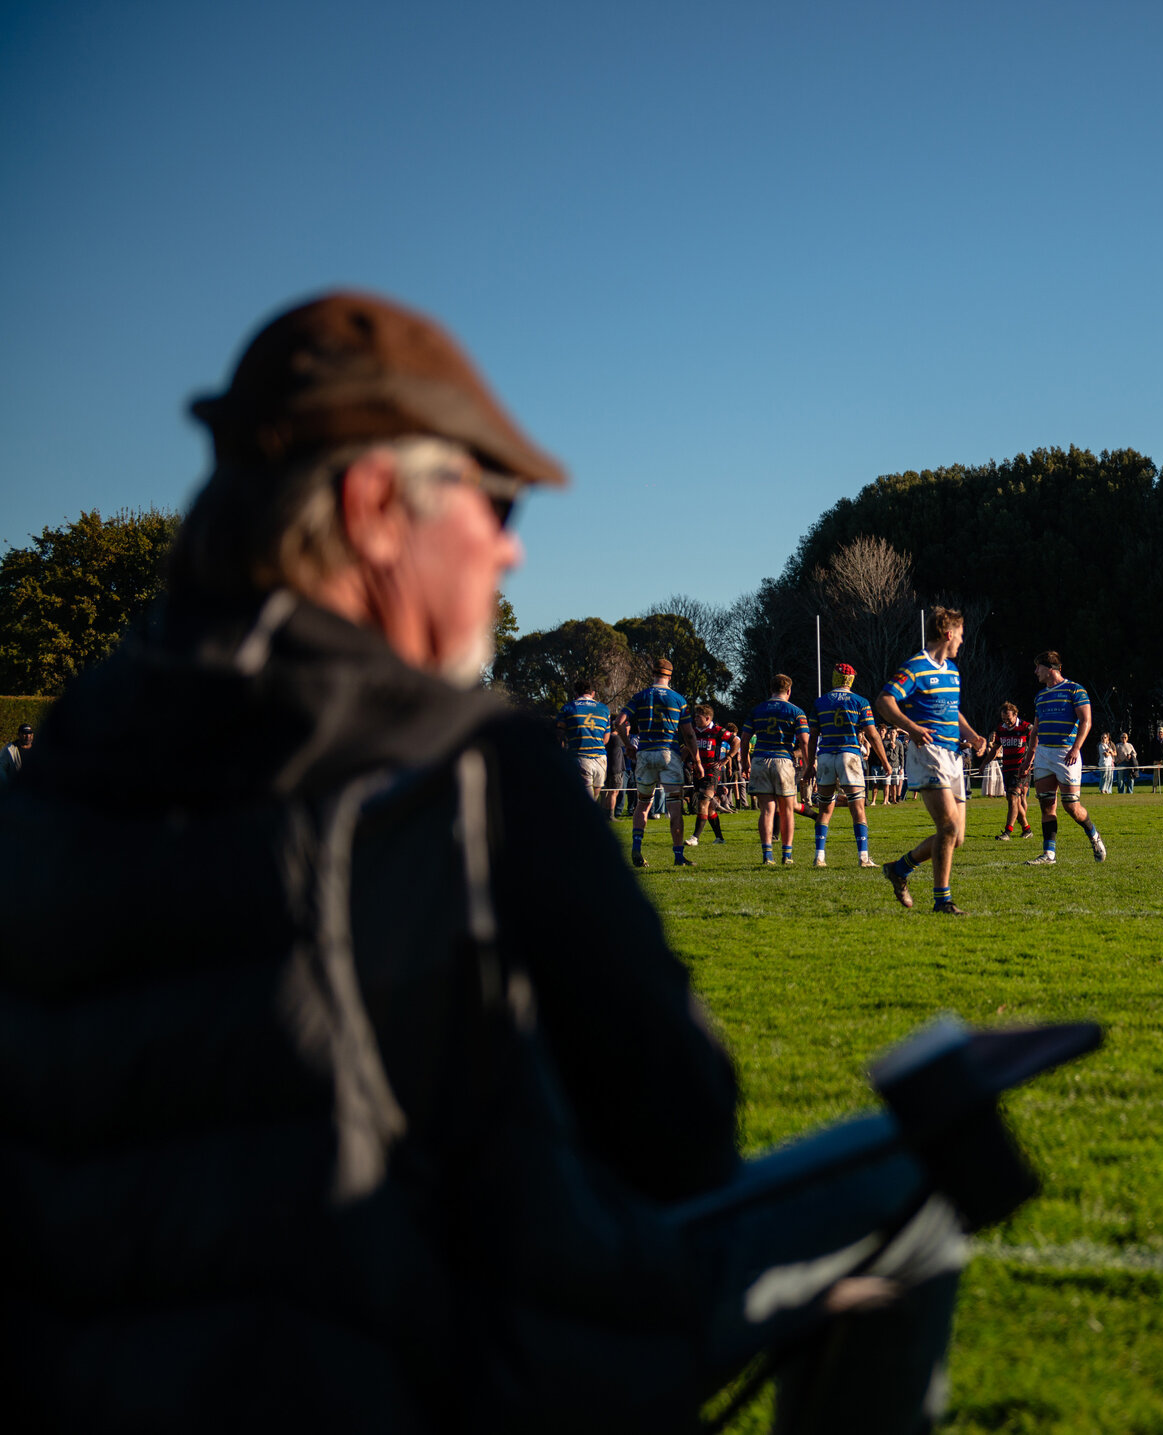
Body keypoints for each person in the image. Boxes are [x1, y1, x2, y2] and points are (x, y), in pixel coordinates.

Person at [0, 291, 976, 1430]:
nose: (512, 546)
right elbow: (679, 1125)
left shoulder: (65, 755)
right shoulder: (459, 760)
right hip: (421, 1367)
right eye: (495, 500)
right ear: (374, 507)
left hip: (88, 1375)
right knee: (914, 1178)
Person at [875, 607, 990, 913]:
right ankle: (943, 901)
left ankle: (900, 869)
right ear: (948, 634)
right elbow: (884, 701)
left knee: (957, 837)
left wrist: (974, 736)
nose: (962, 641)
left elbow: (954, 712)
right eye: (961, 635)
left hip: (953, 755)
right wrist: (911, 728)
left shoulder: (952, 671)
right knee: (949, 826)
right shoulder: (916, 666)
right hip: (928, 754)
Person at [1022, 651, 1106, 866]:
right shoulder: (1040, 696)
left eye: (1038, 667)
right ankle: (1049, 854)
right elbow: (1035, 731)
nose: (1035, 672)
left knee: (1071, 806)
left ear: (1050, 668)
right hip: (1044, 754)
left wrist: (1076, 748)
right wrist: (1029, 758)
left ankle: (1094, 836)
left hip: (1066, 753)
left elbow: (1086, 720)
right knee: (1046, 805)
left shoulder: (1075, 690)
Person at [808, 662, 888, 868]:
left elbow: (813, 735)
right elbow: (872, 733)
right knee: (858, 807)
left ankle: (820, 857)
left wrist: (810, 764)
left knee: (825, 808)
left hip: (825, 755)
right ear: (851, 680)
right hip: (849, 755)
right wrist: (885, 761)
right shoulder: (860, 701)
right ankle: (863, 858)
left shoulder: (819, 702)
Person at [620, 658, 691, 867]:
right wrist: (696, 758)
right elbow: (688, 735)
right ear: (670, 676)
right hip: (668, 753)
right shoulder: (678, 699)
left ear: (653, 674)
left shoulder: (640, 696)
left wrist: (628, 746)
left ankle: (636, 848)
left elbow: (619, 722)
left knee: (643, 804)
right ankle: (678, 856)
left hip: (645, 752)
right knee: (675, 806)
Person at [748, 673, 811, 866]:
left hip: (759, 759)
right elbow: (805, 740)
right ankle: (787, 854)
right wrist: (809, 764)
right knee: (787, 810)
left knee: (767, 810)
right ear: (789, 691)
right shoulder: (796, 712)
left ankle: (767, 855)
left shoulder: (757, 709)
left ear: (771, 689)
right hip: (782, 761)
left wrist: (744, 762)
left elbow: (744, 739)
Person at [556, 678, 611, 802]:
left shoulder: (568, 708)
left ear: (576, 693)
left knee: (585, 800)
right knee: (594, 796)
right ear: (593, 693)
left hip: (580, 757)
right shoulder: (604, 709)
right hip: (601, 758)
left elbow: (559, 733)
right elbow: (606, 738)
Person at [991, 699, 1036, 838]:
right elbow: (995, 749)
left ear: (1015, 714)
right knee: (1014, 800)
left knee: (1014, 797)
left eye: (1008, 718)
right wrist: (983, 763)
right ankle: (1027, 829)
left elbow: (1035, 745)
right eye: (1004, 719)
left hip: (1021, 768)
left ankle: (1007, 832)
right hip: (1007, 769)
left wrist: (1029, 763)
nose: (1007, 721)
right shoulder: (1001, 729)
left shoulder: (1026, 727)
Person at [686, 704, 726, 845]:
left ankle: (695, 838)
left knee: (703, 801)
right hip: (698, 770)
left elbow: (736, 741)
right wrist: (687, 761)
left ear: (708, 718)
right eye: (695, 716)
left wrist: (726, 759)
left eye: (699, 716)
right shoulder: (693, 732)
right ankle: (720, 838)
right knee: (708, 807)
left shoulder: (717, 730)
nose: (695, 719)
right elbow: (687, 747)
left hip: (712, 770)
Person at [0, 723, 30, 788]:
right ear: (19, 734)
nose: (28, 736)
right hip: (16, 790)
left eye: (30, 733)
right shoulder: (9, 750)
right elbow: (1, 769)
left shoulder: (39, 748)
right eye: (25, 734)